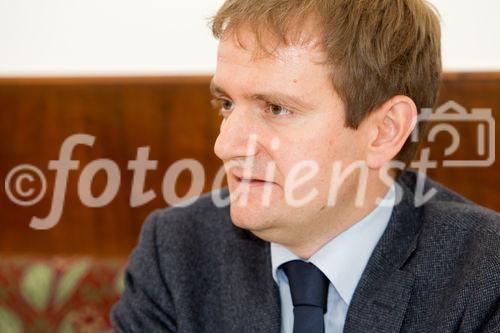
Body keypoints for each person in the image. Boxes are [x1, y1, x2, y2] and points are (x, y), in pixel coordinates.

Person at [111, 0, 500, 332]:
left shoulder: (485, 272)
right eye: (226, 104)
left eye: (277, 108)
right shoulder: (176, 252)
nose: (225, 145)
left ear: (384, 130)